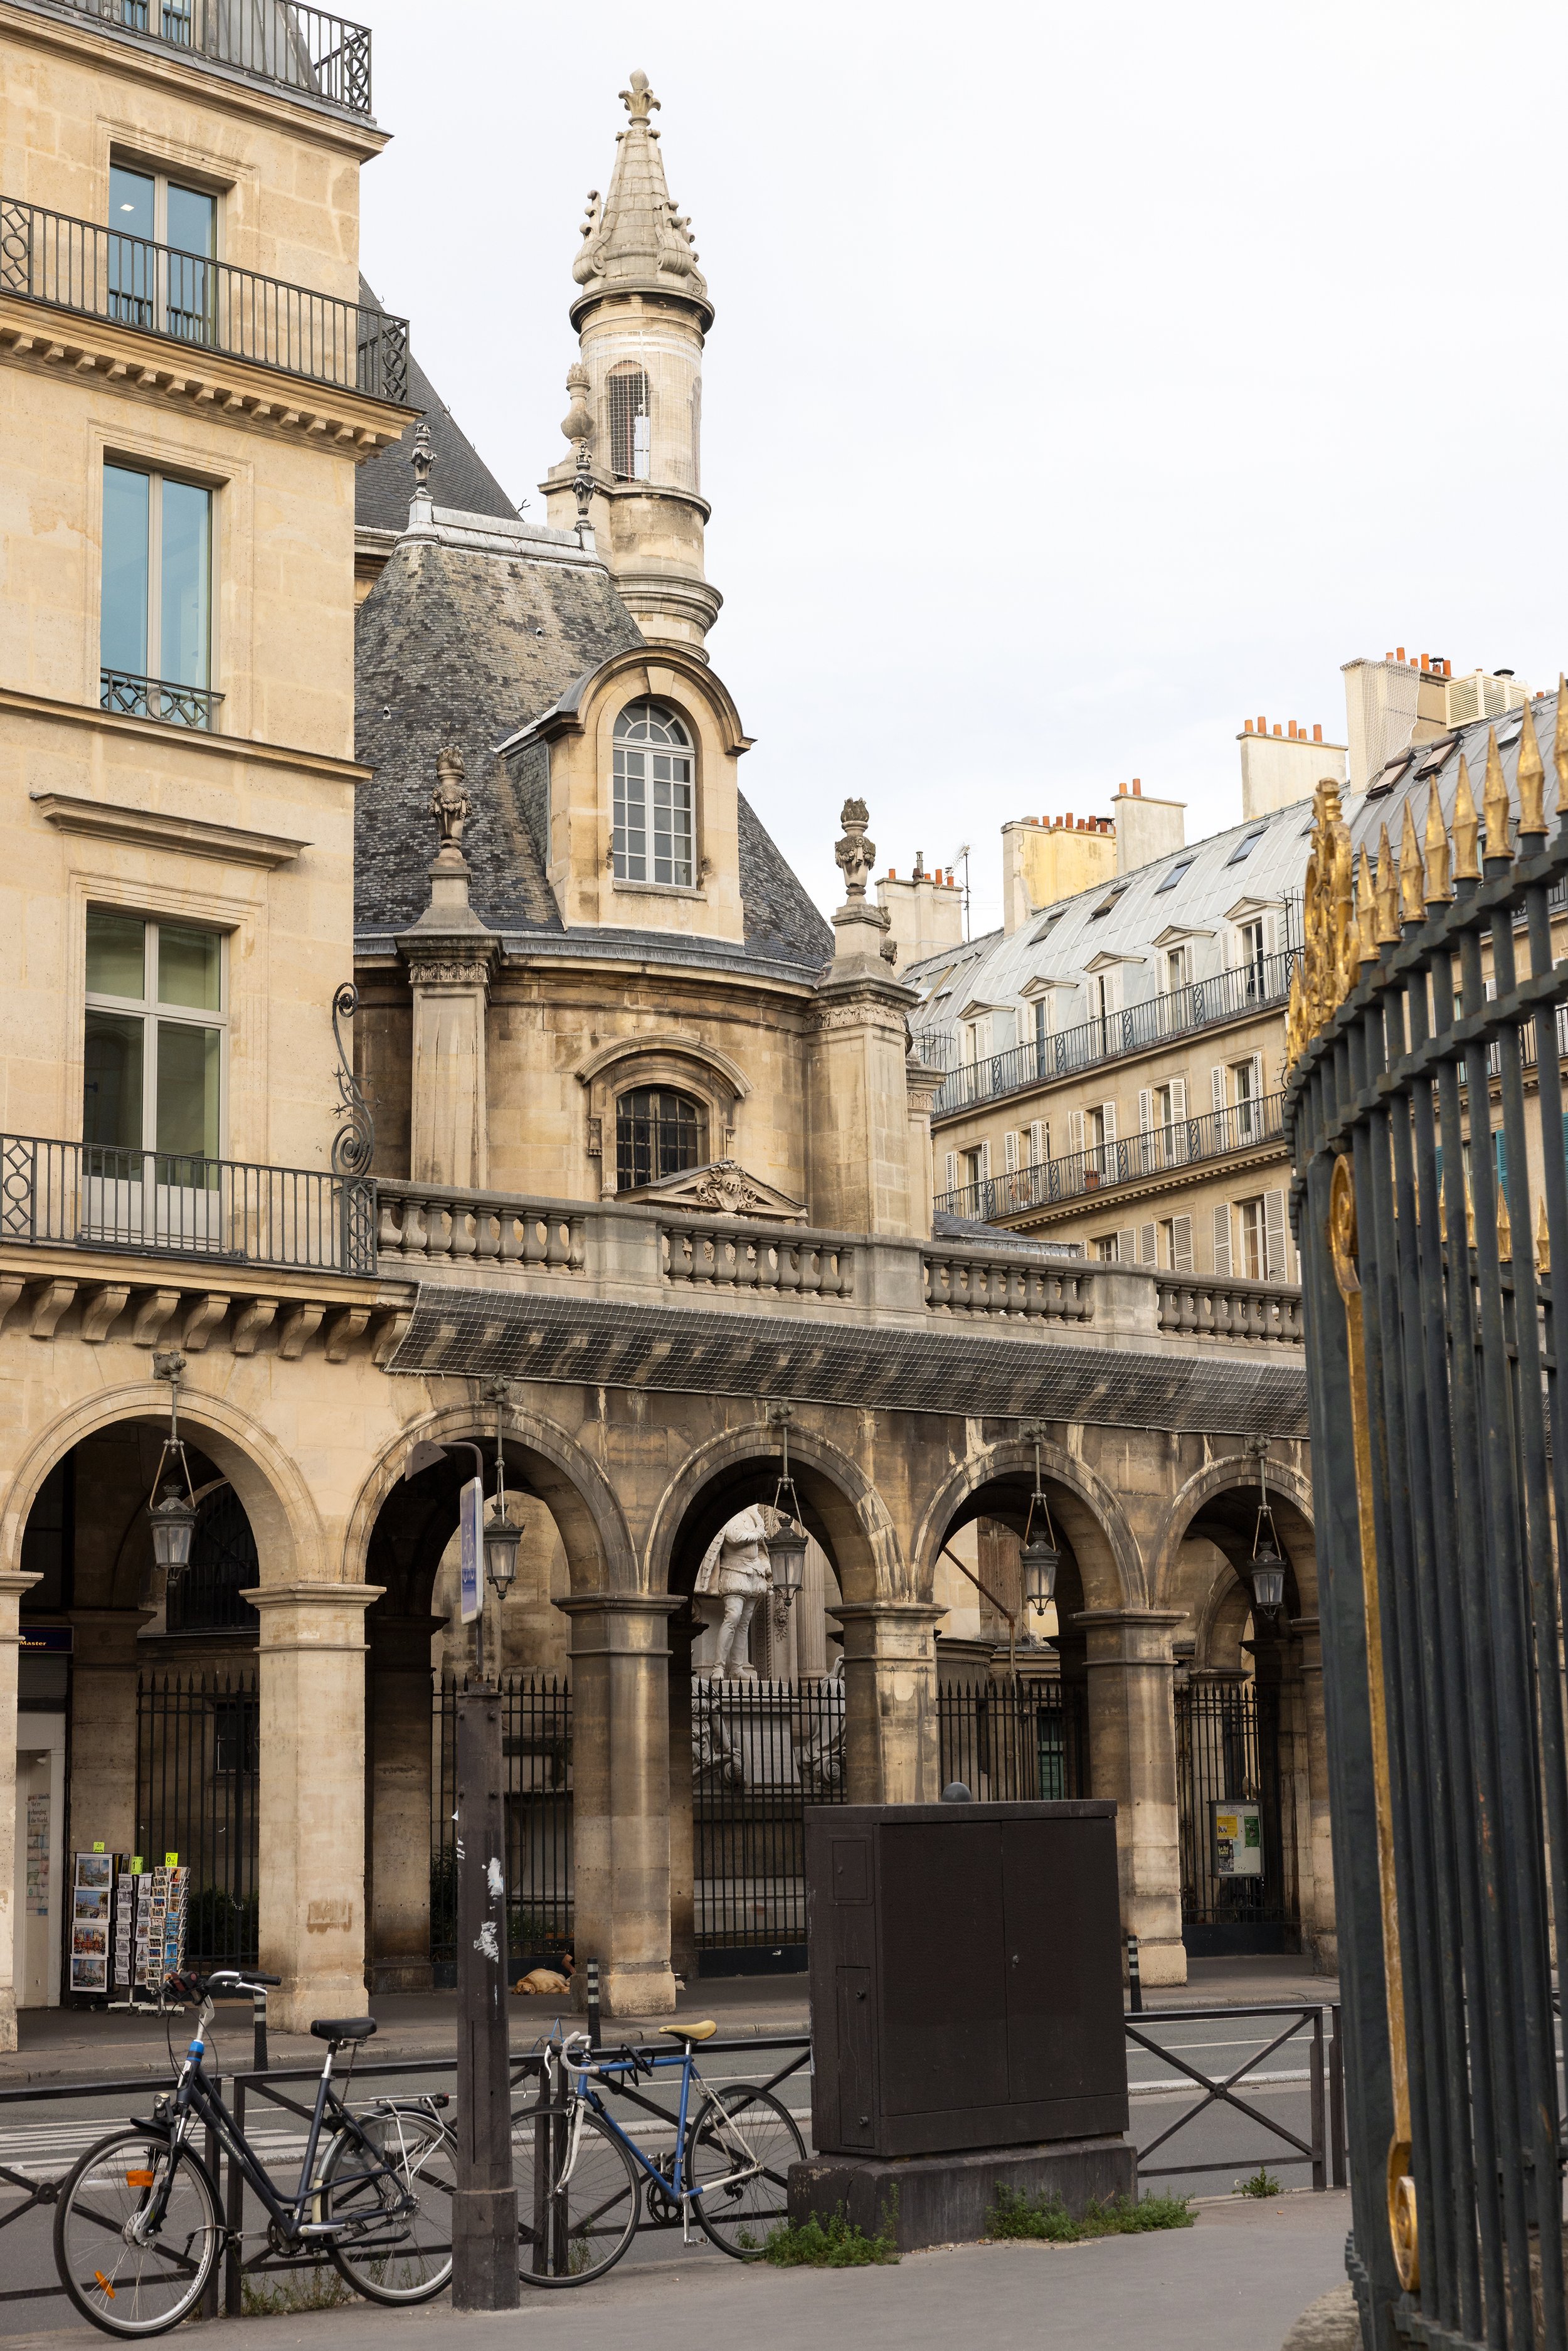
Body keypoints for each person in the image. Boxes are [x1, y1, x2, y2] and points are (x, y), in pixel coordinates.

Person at [695, 1505, 773, 1679]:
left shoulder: (754, 1516)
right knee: (733, 1617)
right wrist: (758, 1532)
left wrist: (766, 1565)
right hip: (733, 1569)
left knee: (744, 1623)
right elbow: (735, 1537)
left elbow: (760, 1550)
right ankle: (718, 1667)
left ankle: (737, 1668)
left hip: (754, 1573)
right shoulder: (728, 1512)